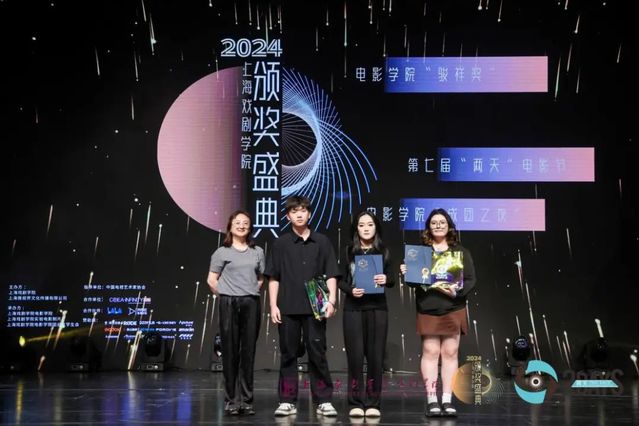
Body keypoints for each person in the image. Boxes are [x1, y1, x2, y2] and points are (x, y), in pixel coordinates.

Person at [265, 196, 341, 417]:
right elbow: (274, 277)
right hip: (288, 305)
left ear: (309, 213)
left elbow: (331, 273)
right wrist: (273, 305)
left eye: (303, 210)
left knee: (317, 353)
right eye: (294, 211)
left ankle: (324, 400)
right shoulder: (281, 243)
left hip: (317, 305)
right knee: (288, 354)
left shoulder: (322, 241)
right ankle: (287, 400)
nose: (299, 214)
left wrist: (331, 300)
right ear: (288, 216)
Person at [400, 208, 476, 417]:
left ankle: (447, 400)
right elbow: (413, 282)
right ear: (428, 227)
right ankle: (432, 399)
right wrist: (406, 272)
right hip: (429, 306)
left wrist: (457, 290)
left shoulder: (460, 251)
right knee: (431, 352)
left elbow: (471, 279)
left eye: (442, 222)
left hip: (453, 307)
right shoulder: (420, 252)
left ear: (449, 225)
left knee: (450, 353)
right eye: (434, 223)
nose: (438, 226)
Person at [207, 210, 265, 416]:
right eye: (237, 222)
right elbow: (211, 280)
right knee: (230, 352)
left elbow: (261, 277)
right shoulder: (221, 252)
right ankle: (232, 401)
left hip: (251, 303)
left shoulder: (257, 251)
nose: (241, 226)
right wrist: (225, 294)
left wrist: (250, 290)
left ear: (250, 227)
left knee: (248, 352)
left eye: (245, 223)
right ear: (230, 226)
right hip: (228, 303)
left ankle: (247, 401)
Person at [338, 211, 394, 418]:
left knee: (375, 359)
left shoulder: (384, 251)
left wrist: (385, 279)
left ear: (376, 227)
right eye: (361, 225)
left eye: (370, 224)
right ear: (356, 229)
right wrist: (350, 290)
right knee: (354, 358)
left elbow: (392, 279)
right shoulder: (348, 251)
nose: (366, 228)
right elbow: (340, 280)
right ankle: (355, 402)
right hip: (353, 309)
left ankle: (373, 403)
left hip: (378, 309)